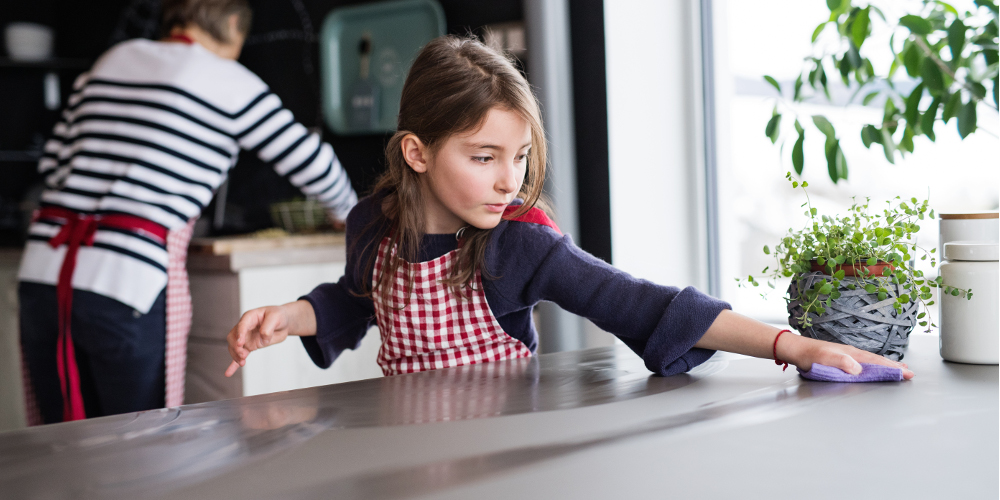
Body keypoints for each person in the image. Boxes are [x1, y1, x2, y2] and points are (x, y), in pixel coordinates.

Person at [224, 35, 913, 383]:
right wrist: (290, 316)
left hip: (503, 458)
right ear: (417, 153)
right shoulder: (372, 226)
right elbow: (355, 301)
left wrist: (790, 345)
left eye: (521, 156)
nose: (510, 182)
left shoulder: (519, 245)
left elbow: (644, 304)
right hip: (401, 454)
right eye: (484, 157)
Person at [18, 0, 358, 424]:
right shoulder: (228, 80)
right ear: (232, 23)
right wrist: (348, 214)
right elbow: (312, 160)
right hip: (126, 282)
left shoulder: (111, 61)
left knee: (58, 440)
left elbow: (53, 165)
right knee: (139, 442)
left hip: (43, 274)